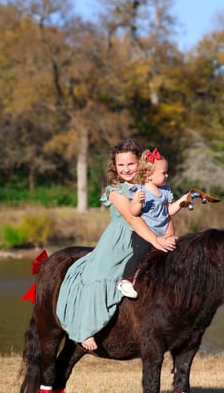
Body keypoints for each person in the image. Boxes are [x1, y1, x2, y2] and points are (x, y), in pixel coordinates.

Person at [56, 138, 177, 352]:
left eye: (131, 164)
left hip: (149, 239)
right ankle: (86, 329)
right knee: (99, 274)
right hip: (120, 241)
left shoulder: (151, 187)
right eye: (121, 165)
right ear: (115, 166)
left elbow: (165, 214)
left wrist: (169, 236)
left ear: (141, 164)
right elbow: (132, 219)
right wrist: (155, 240)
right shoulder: (116, 190)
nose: (126, 169)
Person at [117, 147, 189, 298]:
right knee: (141, 252)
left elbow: (169, 211)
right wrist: (138, 202)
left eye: (167, 172)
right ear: (149, 175)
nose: (167, 175)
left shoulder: (165, 191)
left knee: (171, 253)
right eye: (163, 173)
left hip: (162, 234)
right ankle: (126, 281)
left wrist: (183, 201)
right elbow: (134, 212)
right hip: (144, 234)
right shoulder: (141, 191)